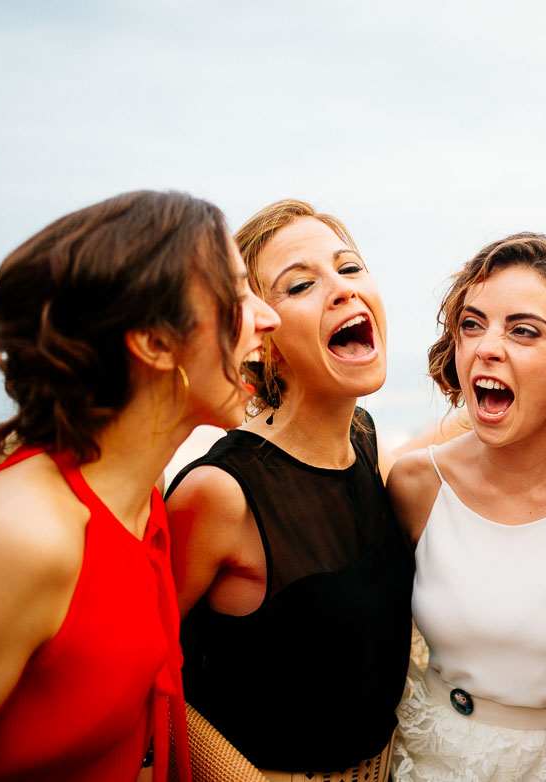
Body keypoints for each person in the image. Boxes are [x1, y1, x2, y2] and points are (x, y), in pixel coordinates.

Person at [0, 190, 279, 782]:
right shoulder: (26, 536)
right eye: (236, 292)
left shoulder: (140, 503)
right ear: (155, 342)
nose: (268, 316)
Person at [165, 199, 414, 782]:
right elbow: (143, 673)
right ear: (263, 337)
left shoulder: (366, 441)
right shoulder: (219, 493)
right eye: (301, 284)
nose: (342, 290)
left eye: (349, 268)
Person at [388, 233, 546, 781]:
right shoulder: (415, 483)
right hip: (428, 762)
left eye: (523, 331)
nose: (487, 347)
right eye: (472, 325)